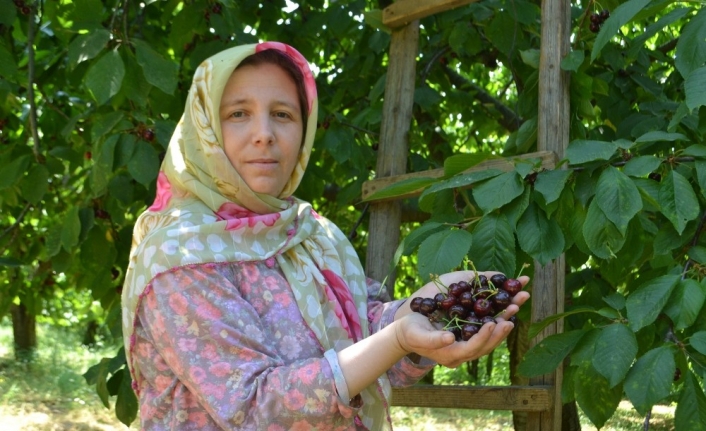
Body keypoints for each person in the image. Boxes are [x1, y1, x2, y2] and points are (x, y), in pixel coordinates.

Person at [121, 41, 530, 430]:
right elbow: (253, 409)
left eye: (283, 114)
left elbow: (362, 330)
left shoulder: (311, 233)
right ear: (203, 128)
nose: (264, 133)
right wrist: (397, 338)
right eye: (238, 113)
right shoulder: (179, 254)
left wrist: (425, 309)